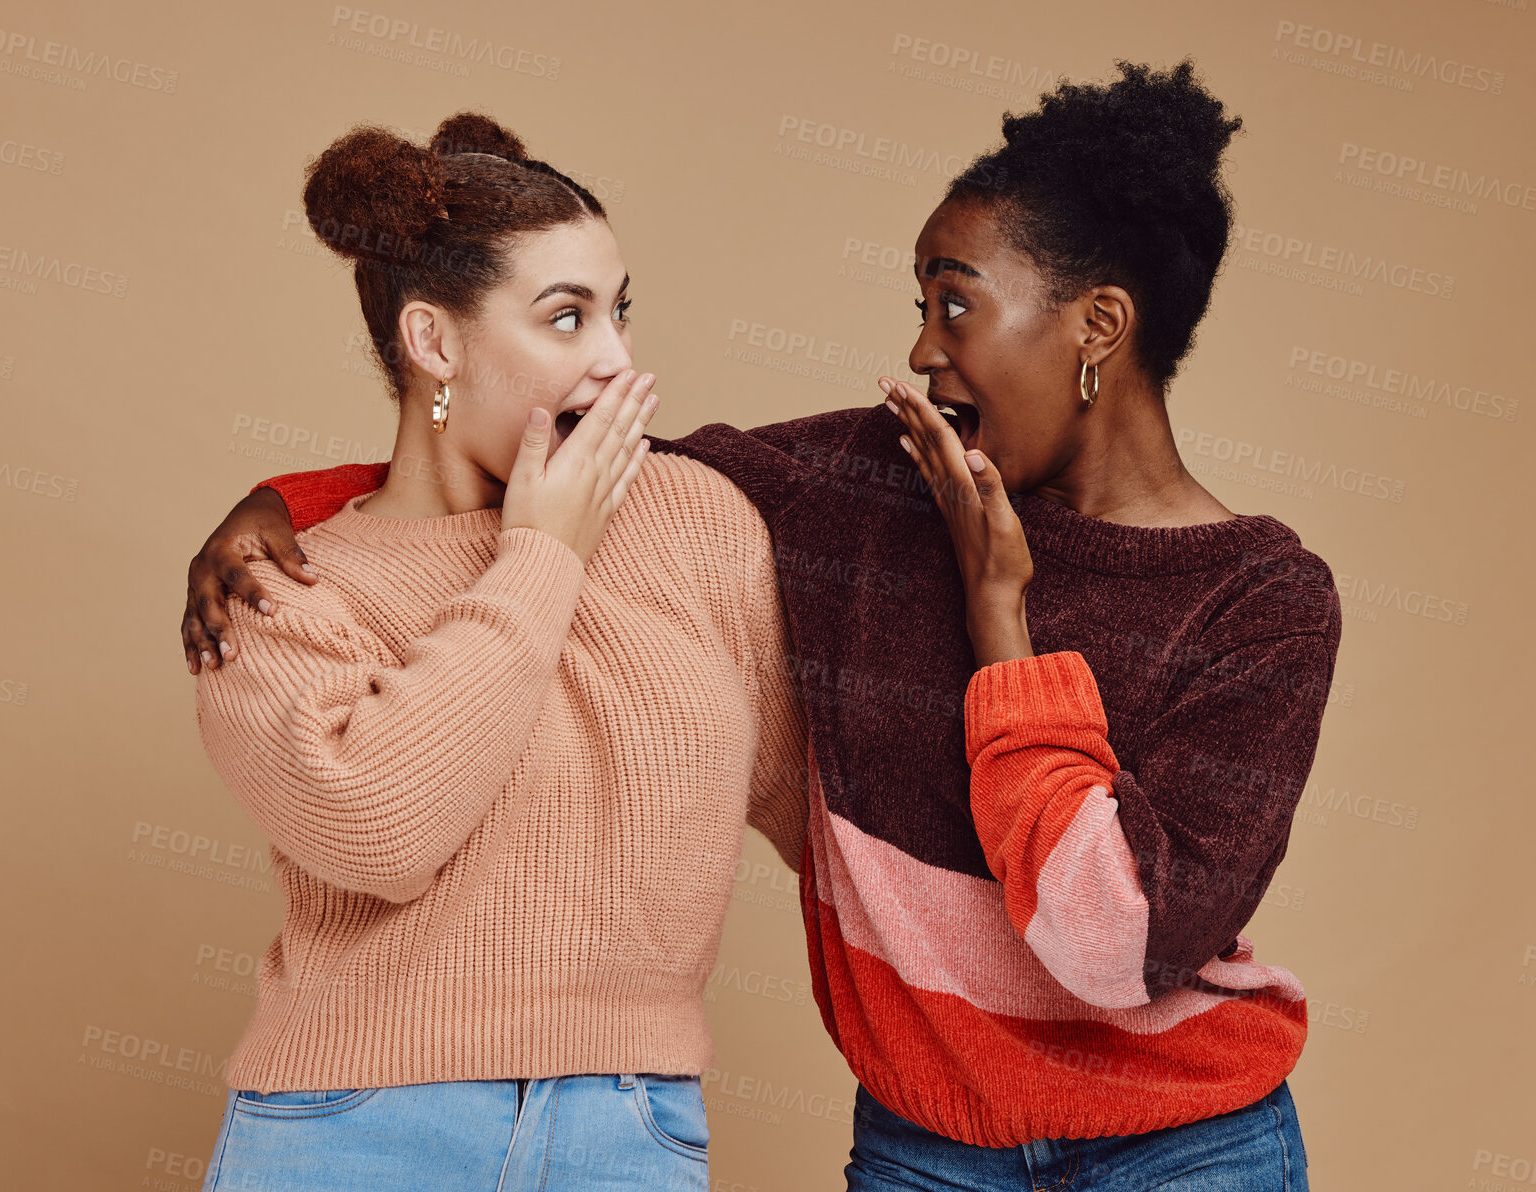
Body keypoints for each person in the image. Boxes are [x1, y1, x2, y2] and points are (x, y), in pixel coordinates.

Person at [186, 62, 1337, 1190]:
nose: (923, 350)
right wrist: (289, 502)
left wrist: (1003, 623)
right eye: (568, 314)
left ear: (1100, 324)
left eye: (954, 303)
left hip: (1162, 1142)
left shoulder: (1255, 600)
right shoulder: (859, 487)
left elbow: (1096, 928)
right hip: (884, 1148)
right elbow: (519, 511)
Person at [186, 111, 809, 1191]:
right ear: (434, 340)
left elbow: (829, 811)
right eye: (566, 318)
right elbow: (380, 828)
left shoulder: (698, 524)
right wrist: (538, 556)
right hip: (350, 1132)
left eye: (620, 311)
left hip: (629, 1130)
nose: (617, 360)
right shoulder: (275, 586)